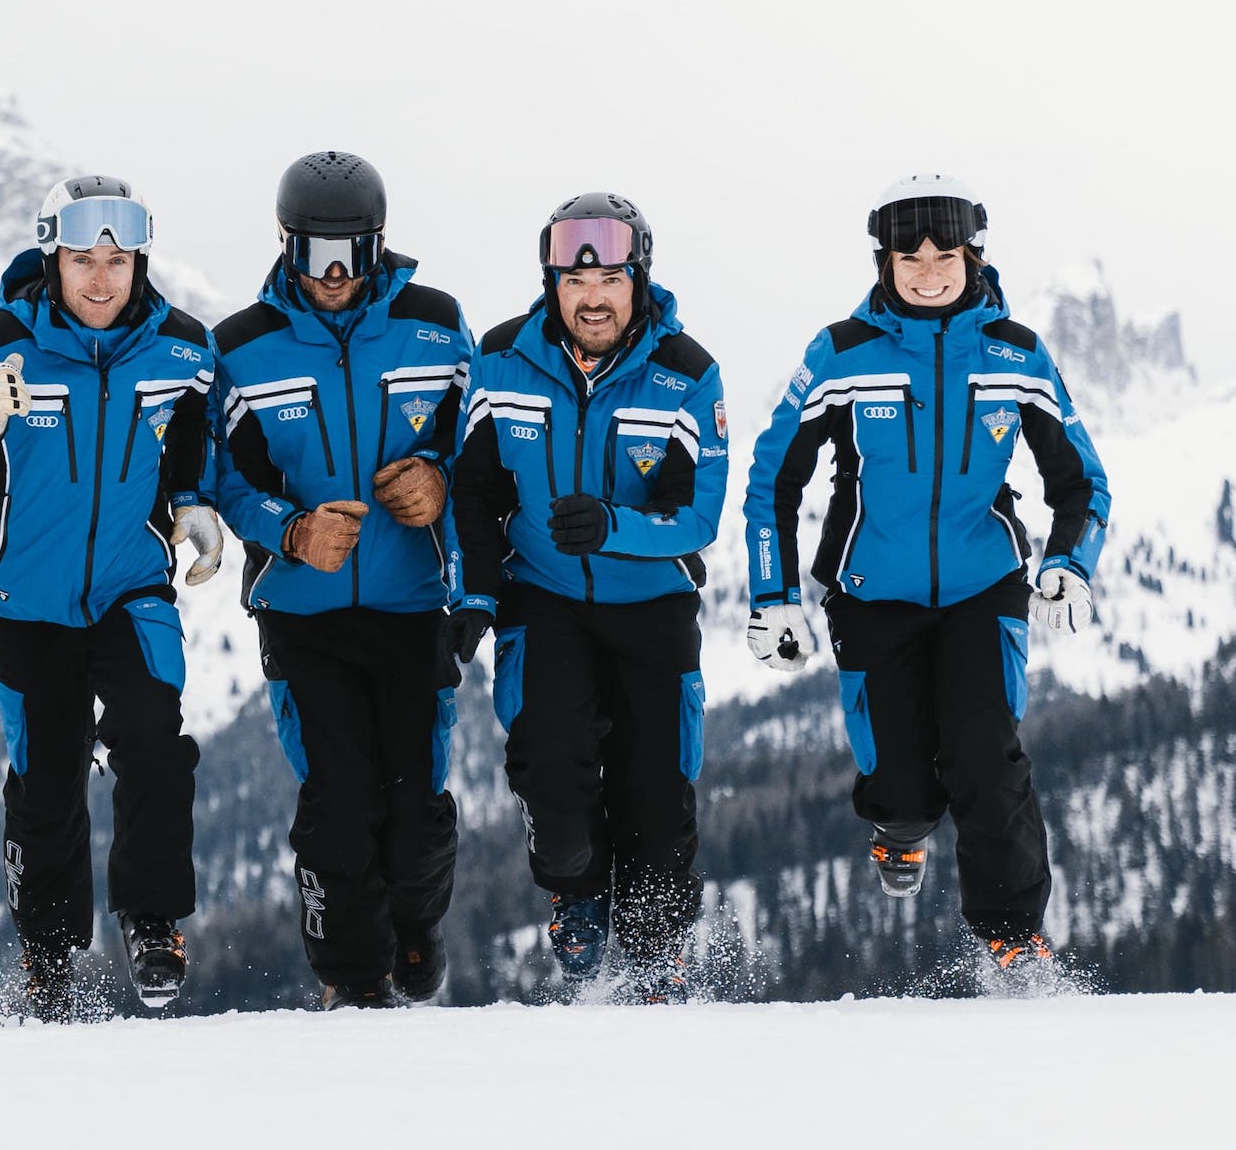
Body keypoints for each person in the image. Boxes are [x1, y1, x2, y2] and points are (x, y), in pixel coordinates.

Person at [740, 172, 1110, 979]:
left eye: (947, 252)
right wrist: (774, 595)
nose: (930, 268)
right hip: (873, 594)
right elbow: (774, 479)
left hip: (985, 585)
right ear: (885, 261)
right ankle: (899, 831)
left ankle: (1013, 936)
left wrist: (1070, 564)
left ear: (974, 257)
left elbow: (1082, 482)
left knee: (987, 752)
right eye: (910, 254)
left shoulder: (1016, 354)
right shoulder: (842, 354)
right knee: (903, 786)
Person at [0, 175, 226, 1020]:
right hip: (25, 603)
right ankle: (48, 959)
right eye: (81, 259)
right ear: (52, 258)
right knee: (45, 784)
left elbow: (194, 438)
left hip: (133, 590)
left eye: (116, 261)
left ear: (140, 262)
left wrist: (193, 502)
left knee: (154, 745)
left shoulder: (184, 349)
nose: (99, 279)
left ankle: (152, 922)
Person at [212, 153, 474, 1007]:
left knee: (415, 799)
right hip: (304, 612)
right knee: (338, 803)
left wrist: (436, 479)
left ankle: (417, 933)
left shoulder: (436, 327)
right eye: (316, 252)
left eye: (351, 254)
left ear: (380, 246)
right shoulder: (243, 348)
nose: (333, 274)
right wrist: (288, 530)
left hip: (410, 607)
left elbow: (481, 449)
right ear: (286, 245)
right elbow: (223, 479)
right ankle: (347, 981)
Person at [453, 195, 730, 998]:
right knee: (551, 769)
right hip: (545, 599)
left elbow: (697, 516)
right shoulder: (502, 358)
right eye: (577, 283)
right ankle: (575, 891)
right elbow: (474, 490)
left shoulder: (687, 371)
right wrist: (474, 595)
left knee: (656, 792)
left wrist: (615, 527)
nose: (594, 298)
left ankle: (655, 956)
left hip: (650, 605)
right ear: (551, 284)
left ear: (638, 278)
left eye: (611, 278)